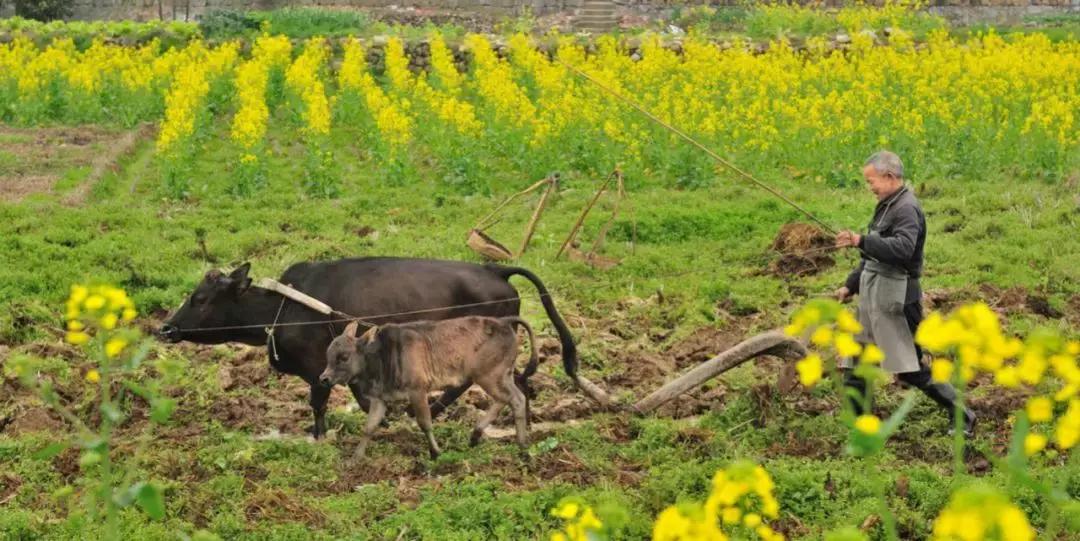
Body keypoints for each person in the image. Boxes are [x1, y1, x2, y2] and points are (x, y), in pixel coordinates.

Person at [834, 150, 976, 436]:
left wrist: (860, 239)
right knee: (857, 360)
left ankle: (963, 416)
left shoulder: (907, 208)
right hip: (874, 294)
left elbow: (902, 249)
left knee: (910, 368)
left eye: (871, 180)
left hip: (898, 299)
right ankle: (861, 426)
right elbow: (871, 256)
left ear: (889, 177)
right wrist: (851, 285)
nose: (869, 186)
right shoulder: (886, 204)